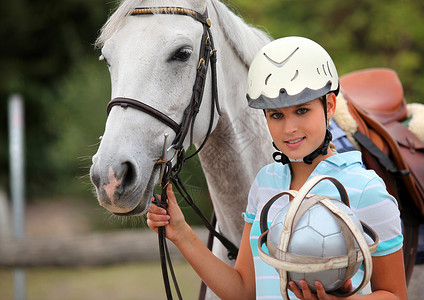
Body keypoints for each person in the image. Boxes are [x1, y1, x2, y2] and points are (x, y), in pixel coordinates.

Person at [147, 36, 408, 299]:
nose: (289, 128)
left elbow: (395, 295)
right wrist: (180, 232)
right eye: (277, 115)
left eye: (302, 111)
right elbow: (244, 291)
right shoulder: (265, 183)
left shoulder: (367, 189)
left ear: (328, 106)